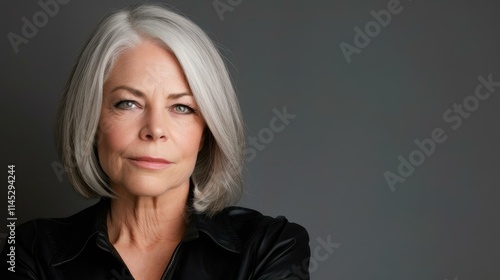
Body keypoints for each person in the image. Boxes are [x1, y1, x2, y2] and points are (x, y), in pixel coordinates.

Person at [1, 3, 310, 279]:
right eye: (128, 103)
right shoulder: (30, 251)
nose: (155, 129)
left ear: (206, 132)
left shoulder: (271, 247)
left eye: (182, 107)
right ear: (91, 120)